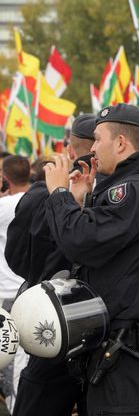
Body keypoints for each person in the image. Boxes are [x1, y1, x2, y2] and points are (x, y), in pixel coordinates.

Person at [42, 103, 139, 415]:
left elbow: (81, 242)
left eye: (97, 139)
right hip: (135, 340)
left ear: (120, 143)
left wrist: (59, 195)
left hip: (131, 345)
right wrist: (85, 199)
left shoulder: (135, 189)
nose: (92, 148)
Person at [6, 114, 98, 416]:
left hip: (54, 320)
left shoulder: (39, 194)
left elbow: (21, 259)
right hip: (103, 323)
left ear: (70, 150)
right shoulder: (122, 190)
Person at [0, 155, 31, 412]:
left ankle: (14, 405)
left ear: (5, 178)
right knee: (22, 356)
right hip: (29, 289)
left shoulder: (3, 206)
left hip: (5, 292)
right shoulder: (40, 200)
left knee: (7, 358)